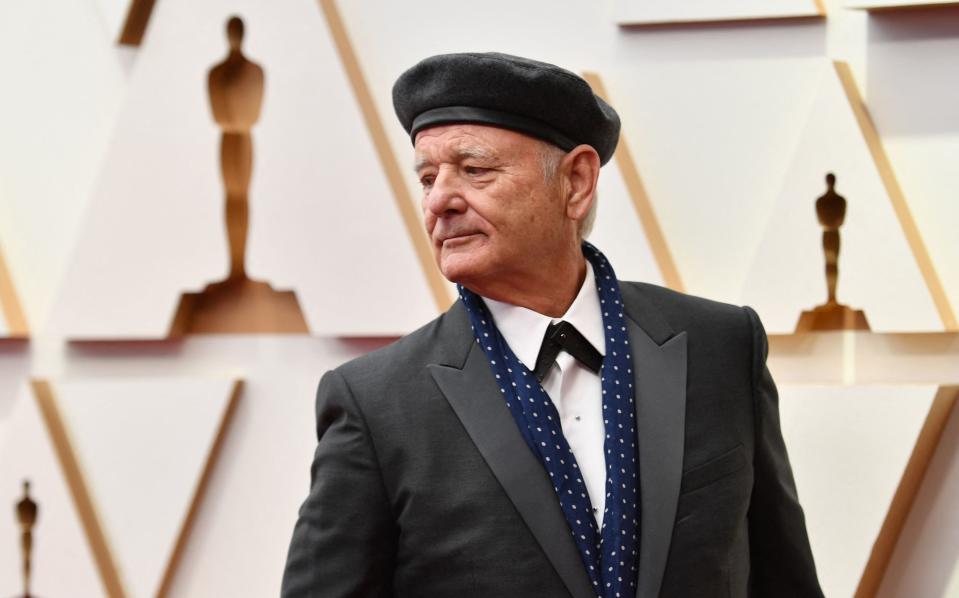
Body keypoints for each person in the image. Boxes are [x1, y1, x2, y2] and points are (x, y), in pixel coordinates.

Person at [281, 52, 824, 598]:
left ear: (577, 182)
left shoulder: (721, 347)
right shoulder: (376, 404)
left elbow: (785, 580)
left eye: (474, 170)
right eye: (427, 177)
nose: (440, 200)